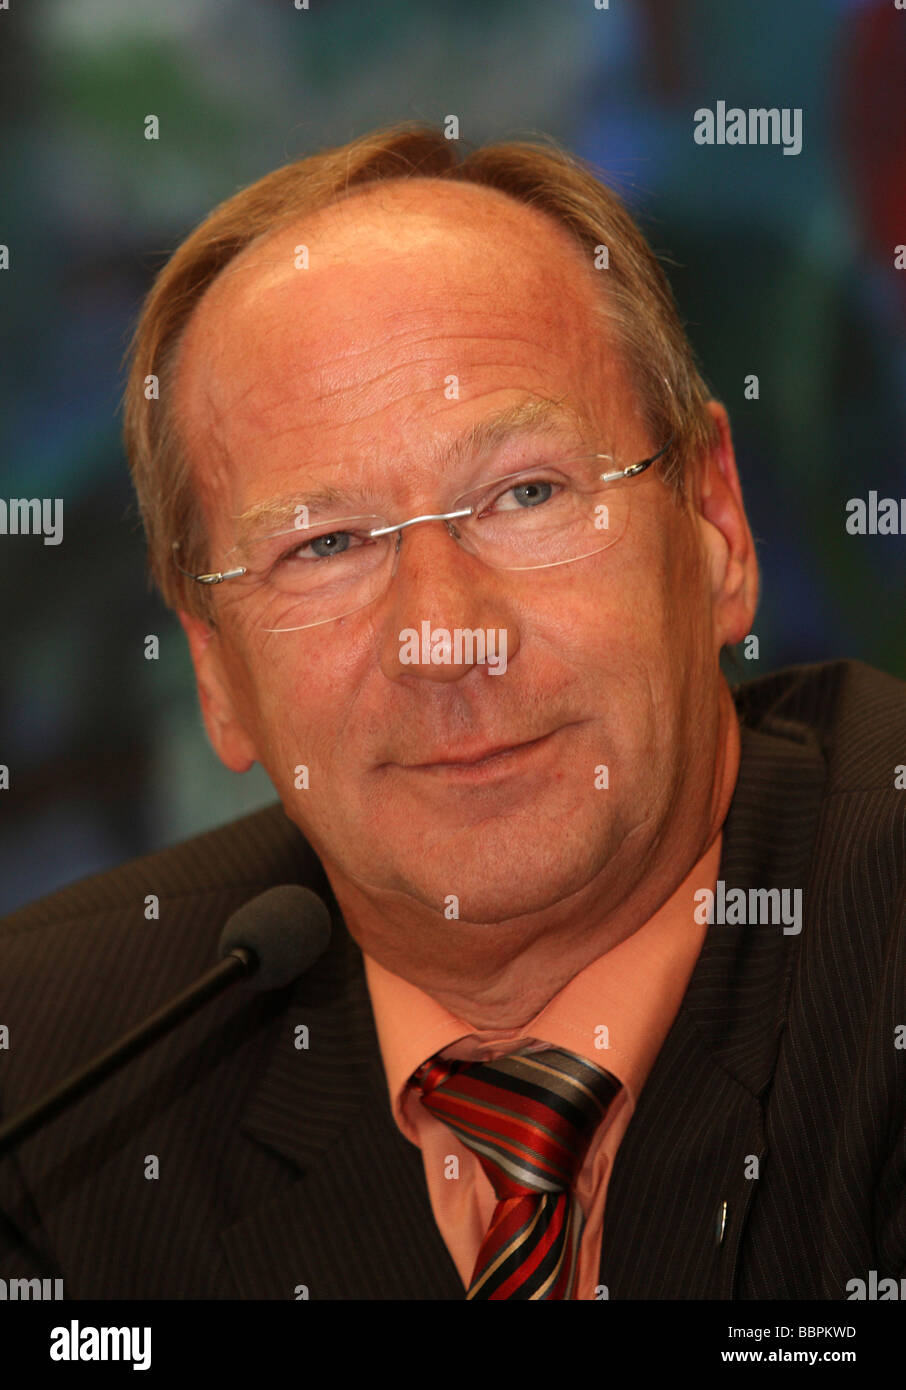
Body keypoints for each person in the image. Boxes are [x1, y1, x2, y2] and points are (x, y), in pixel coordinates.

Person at [0, 123, 903, 1302]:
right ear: (216, 669)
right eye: (322, 546)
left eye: (526, 493)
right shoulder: (56, 1092)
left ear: (716, 524)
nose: (444, 637)